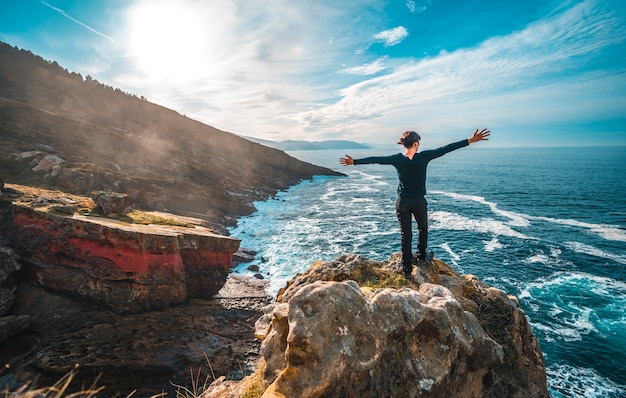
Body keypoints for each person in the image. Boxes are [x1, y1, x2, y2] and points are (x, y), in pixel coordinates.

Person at [340, 128, 490, 276]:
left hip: (402, 202)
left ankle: (406, 269)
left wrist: (354, 162)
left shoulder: (397, 159)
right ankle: (421, 257)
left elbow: (376, 159)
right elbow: (446, 149)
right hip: (418, 201)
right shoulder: (424, 157)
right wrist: (470, 140)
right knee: (422, 228)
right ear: (416, 144)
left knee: (406, 234)